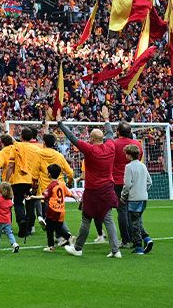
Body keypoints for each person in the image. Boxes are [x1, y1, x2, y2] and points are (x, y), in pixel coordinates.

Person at [59, 107, 122, 258]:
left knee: (86, 219)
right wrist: (106, 119)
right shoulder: (110, 146)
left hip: (93, 190)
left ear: (92, 139)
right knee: (108, 219)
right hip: (107, 188)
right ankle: (115, 250)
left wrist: (60, 123)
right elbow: (110, 133)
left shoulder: (90, 149)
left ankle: (78, 248)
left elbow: (72, 138)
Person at [109, 119, 144, 248]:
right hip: (134, 182)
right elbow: (138, 160)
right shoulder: (137, 145)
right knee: (134, 210)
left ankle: (126, 240)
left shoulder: (112, 144)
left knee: (122, 211)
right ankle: (137, 238)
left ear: (117, 131)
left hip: (118, 181)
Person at [121, 144, 153, 254]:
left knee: (133, 223)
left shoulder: (129, 167)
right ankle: (147, 239)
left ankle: (138, 246)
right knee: (138, 221)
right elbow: (149, 182)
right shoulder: (143, 166)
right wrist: (142, 190)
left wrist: (123, 196)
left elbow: (127, 185)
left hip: (134, 199)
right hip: (143, 198)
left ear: (129, 155)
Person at [42, 163, 70, 252]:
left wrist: (32, 197)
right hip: (61, 210)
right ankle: (68, 238)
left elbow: (44, 196)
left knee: (50, 228)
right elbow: (69, 193)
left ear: (49, 174)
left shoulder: (51, 185)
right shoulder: (62, 184)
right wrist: (75, 197)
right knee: (57, 228)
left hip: (53, 209)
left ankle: (52, 246)